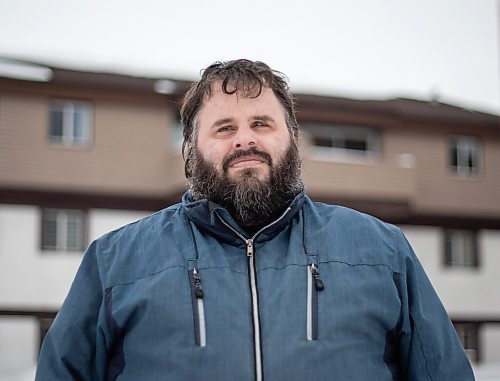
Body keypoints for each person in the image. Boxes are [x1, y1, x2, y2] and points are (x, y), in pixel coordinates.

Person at [35, 59, 474, 380]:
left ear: (292, 139)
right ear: (192, 150)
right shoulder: (115, 261)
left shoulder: (383, 250)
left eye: (262, 123)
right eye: (223, 128)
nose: (245, 138)